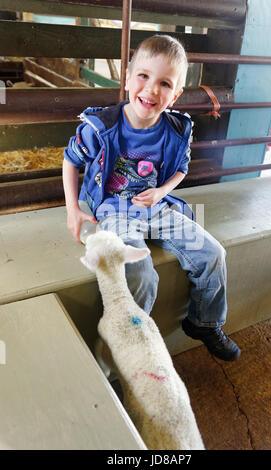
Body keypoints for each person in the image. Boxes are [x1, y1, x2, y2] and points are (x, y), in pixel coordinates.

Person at [63, 34, 240, 362]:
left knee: (213, 252)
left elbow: (181, 170)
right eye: (143, 76)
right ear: (127, 77)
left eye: (164, 83)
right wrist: (73, 210)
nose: (151, 89)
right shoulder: (101, 126)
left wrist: (161, 191)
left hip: (158, 208)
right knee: (140, 271)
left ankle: (204, 322)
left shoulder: (176, 129)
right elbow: (70, 160)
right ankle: (131, 342)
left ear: (175, 94)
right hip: (115, 210)